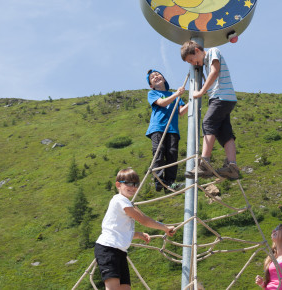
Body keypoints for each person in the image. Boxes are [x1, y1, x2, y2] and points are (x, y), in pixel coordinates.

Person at [94, 168, 176, 290]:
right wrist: (165, 228)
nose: (132, 187)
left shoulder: (127, 203)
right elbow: (144, 220)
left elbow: (120, 231)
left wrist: (138, 235)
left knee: (125, 288)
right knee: (113, 288)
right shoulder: (119, 200)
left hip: (119, 251)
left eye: (136, 184)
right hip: (108, 249)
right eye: (128, 183)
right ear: (118, 185)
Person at [180, 40, 240, 180]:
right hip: (225, 98)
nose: (193, 63)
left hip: (221, 96)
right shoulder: (205, 62)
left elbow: (214, 72)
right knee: (224, 132)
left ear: (197, 50)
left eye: (191, 59)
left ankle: (204, 163)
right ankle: (232, 166)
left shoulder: (213, 51)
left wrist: (201, 92)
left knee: (208, 123)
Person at [145, 69, 189, 192]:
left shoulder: (176, 96)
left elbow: (180, 112)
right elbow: (162, 103)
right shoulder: (153, 94)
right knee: (159, 152)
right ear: (151, 85)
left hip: (173, 129)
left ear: (163, 79)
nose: (156, 76)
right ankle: (159, 181)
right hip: (158, 127)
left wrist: (192, 100)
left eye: (158, 75)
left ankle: (170, 183)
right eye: (152, 77)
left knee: (172, 154)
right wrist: (176, 94)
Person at [255, 224, 282, 290]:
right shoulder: (271, 257)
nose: (273, 230)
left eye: (277, 228)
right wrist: (262, 283)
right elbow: (272, 282)